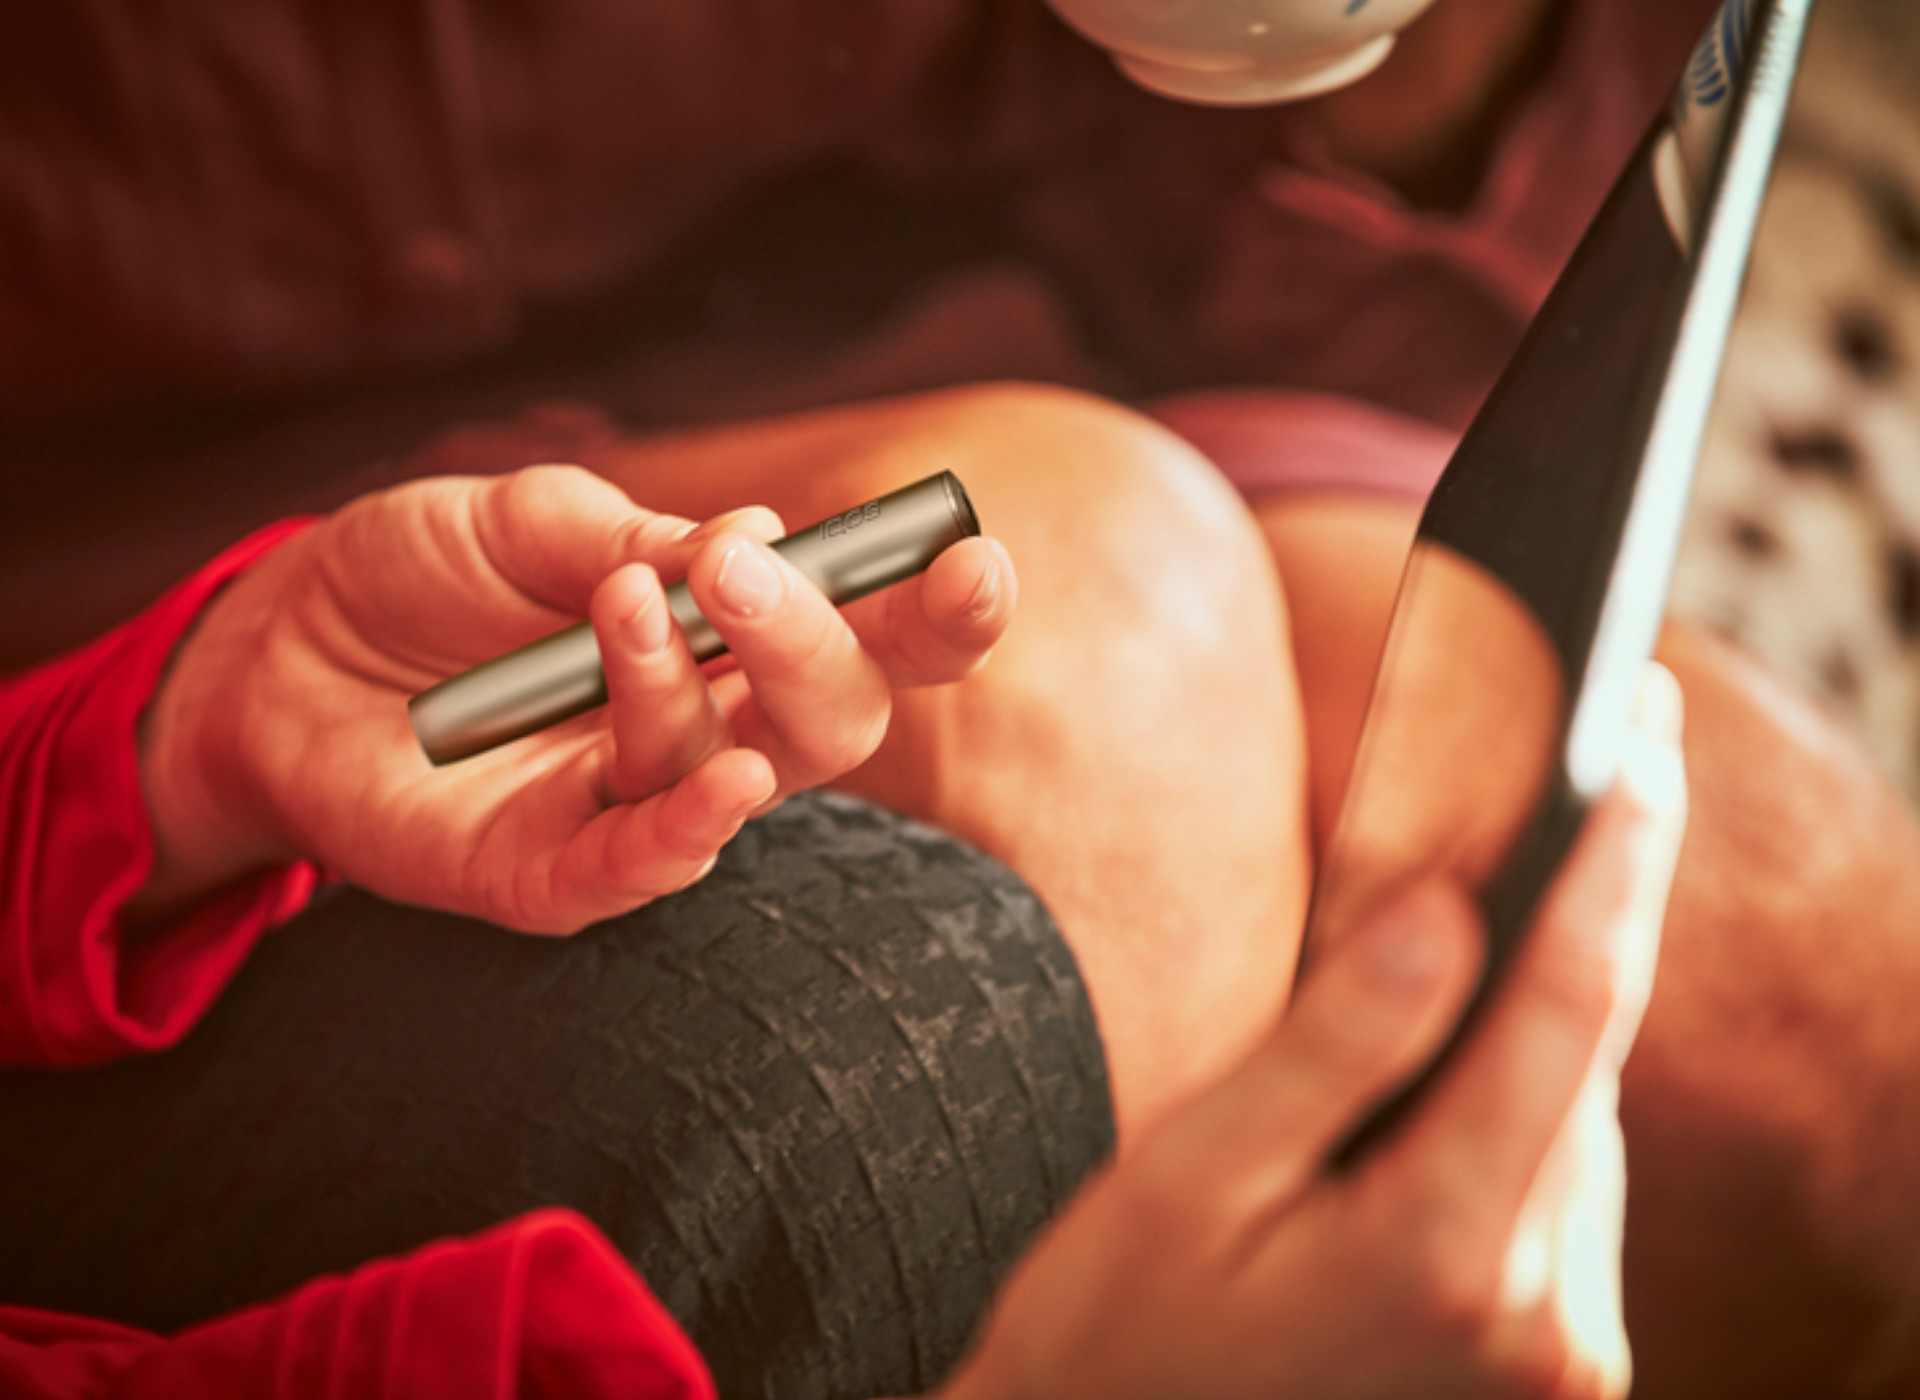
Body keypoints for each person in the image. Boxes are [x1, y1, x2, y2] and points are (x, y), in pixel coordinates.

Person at [3, 0, 1919, 1396]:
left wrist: (1418, 70)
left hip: (883, 367)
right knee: (1117, 623)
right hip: (131, 509)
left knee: (1799, 1043)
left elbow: (1339, 283)